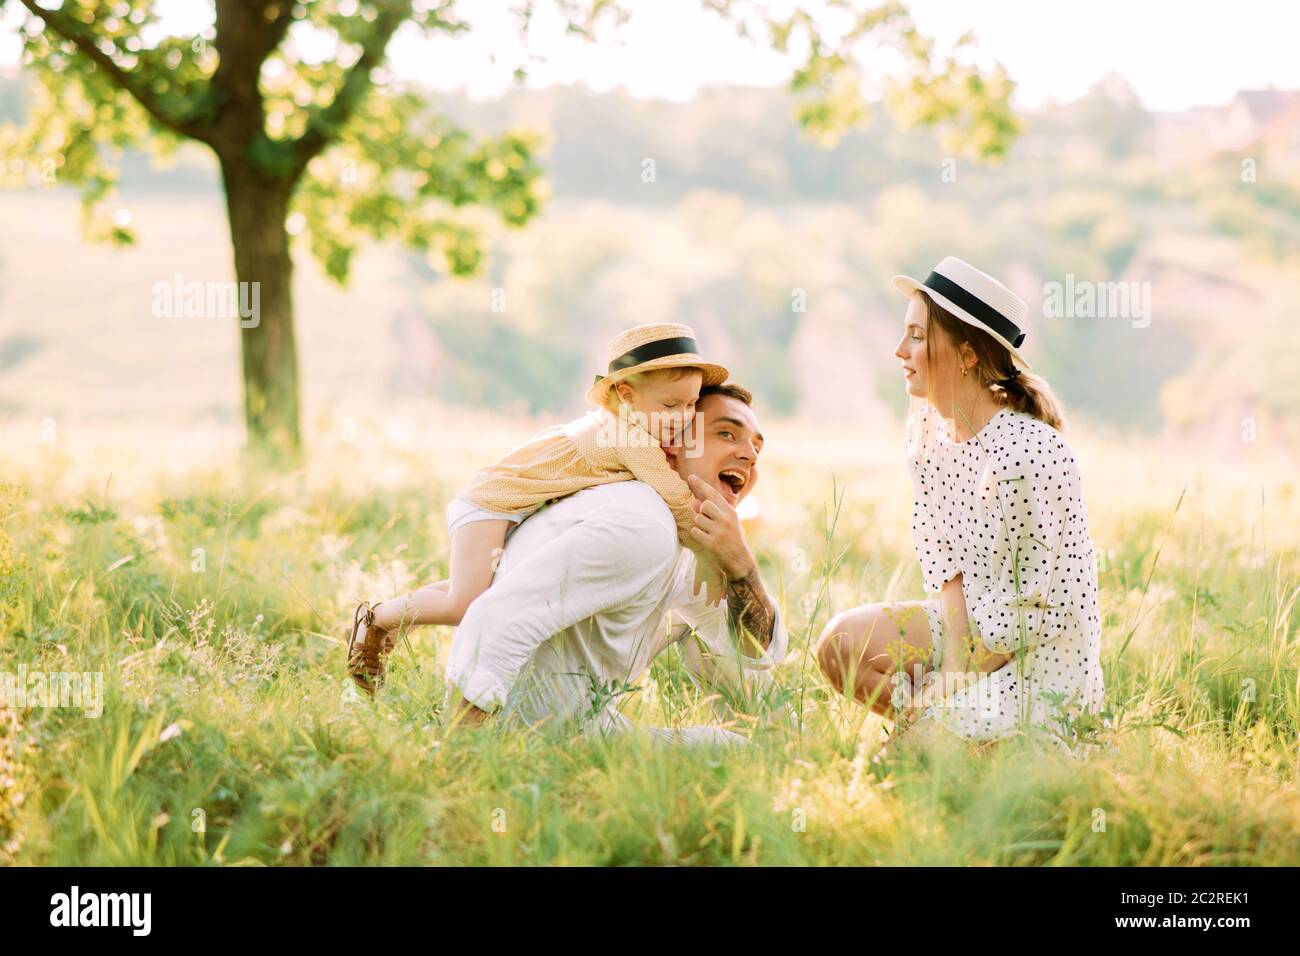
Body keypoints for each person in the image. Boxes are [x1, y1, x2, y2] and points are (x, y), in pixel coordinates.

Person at [815, 256, 1105, 754]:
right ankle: (941, 739)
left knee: (900, 768)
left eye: (917, 337)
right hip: (969, 632)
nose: (899, 350)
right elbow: (945, 565)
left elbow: (1030, 609)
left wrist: (954, 685)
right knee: (840, 645)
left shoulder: (1029, 453)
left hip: (1040, 659)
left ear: (967, 355)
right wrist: (950, 671)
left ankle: (991, 744)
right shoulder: (926, 433)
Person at [345, 323, 728, 693]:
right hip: (489, 504)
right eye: (670, 404)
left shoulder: (621, 427)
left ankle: (400, 619)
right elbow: (673, 495)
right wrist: (711, 555)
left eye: (692, 404)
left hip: (506, 505)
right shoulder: (626, 436)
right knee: (467, 603)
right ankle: (377, 618)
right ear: (627, 395)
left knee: (489, 584)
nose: (682, 416)